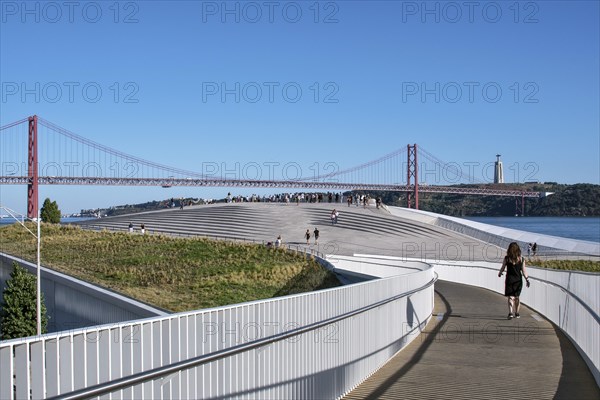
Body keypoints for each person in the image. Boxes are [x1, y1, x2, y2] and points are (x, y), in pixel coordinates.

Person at [498, 242, 530, 319]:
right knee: (517, 297)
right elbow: (524, 270)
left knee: (510, 297)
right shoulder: (521, 259)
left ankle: (510, 313)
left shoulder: (507, 258)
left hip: (509, 280)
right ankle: (517, 313)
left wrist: (500, 273)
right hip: (518, 280)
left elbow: (503, 267)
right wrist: (527, 279)